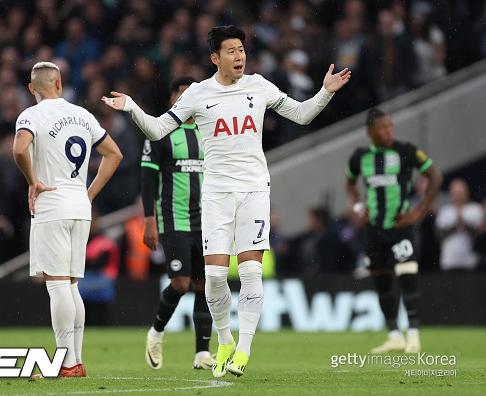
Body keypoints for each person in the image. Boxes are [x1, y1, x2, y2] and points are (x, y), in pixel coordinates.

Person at [102, 25, 350, 378]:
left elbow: (301, 114)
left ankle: (244, 350)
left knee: (250, 271)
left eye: (242, 50)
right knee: (216, 277)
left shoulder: (259, 85)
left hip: (253, 190)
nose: (239, 57)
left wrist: (325, 92)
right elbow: (157, 130)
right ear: (215, 58)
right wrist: (130, 107)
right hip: (216, 194)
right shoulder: (198, 94)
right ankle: (224, 340)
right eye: (231, 51)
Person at [13, 61, 122, 378]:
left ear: (33, 89)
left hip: (53, 207)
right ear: (59, 84)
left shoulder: (31, 115)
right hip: (79, 206)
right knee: (72, 285)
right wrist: (89, 193)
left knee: (58, 286)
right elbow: (114, 154)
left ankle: (67, 363)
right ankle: (74, 361)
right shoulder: (84, 116)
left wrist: (32, 180)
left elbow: (19, 150)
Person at [345, 108, 443, 354]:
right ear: (370, 132)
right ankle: (394, 335)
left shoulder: (406, 151)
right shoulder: (360, 157)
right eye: (382, 128)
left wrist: (419, 211)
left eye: (390, 126)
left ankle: (414, 336)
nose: (388, 132)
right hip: (374, 231)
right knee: (382, 284)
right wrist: (357, 205)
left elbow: (435, 176)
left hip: (401, 228)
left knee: (407, 280)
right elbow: (349, 182)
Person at [141, 75, 214, 371]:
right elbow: (147, 180)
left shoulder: (208, 133)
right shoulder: (160, 133)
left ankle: (202, 354)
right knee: (181, 284)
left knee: (204, 285)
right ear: (173, 100)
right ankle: (156, 333)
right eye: (182, 97)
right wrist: (149, 221)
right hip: (174, 221)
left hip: (207, 222)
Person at [435, 178, 483, 271]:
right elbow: (438, 235)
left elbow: (479, 234)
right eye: (456, 193)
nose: (458, 196)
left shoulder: (475, 209)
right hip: (449, 261)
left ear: (466, 192)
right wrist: (454, 226)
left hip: (470, 261)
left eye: (460, 193)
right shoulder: (445, 211)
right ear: (451, 193)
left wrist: (463, 222)